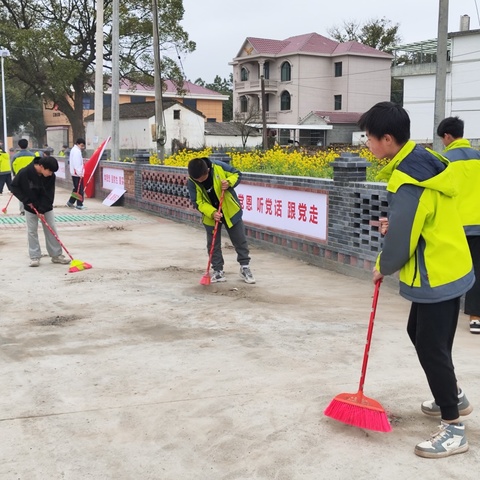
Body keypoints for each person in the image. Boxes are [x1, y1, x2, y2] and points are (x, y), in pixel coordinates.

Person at [359, 101, 474, 459]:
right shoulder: (427, 161)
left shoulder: (406, 178)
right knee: (422, 335)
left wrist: (383, 263)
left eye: (369, 137)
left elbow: (401, 244)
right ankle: (452, 395)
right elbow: (426, 216)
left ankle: (454, 427)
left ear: (388, 139)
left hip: (437, 271)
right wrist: (400, 223)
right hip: (449, 261)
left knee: (430, 347)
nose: (367, 143)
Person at [437, 116, 480, 335]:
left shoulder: (444, 161)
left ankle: (445, 311)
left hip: (456, 225)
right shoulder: (478, 157)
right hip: (479, 225)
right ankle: (475, 318)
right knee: (478, 270)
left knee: (451, 269)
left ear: (447, 136)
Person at [187, 156, 255, 284]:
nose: (200, 181)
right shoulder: (192, 181)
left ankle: (244, 267)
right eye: (197, 180)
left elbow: (237, 174)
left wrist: (229, 182)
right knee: (213, 245)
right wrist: (212, 213)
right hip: (211, 216)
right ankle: (218, 271)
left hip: (230, 210)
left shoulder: (218, 167)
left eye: (202, 178)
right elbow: (198, 202)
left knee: (239, 239)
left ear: (207, 170)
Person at [10, 155, 70, 267]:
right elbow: (14, 187)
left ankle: (56, 255)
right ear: (41, 166)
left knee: (51, 228)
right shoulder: (25, 173)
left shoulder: (50, 177)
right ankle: (34, 257)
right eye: (50, 171)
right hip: (30, 207)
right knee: (31, 231)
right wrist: (26, 200)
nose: (51, 174)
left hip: (46, 207)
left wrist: (42, 210)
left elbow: (49, 194)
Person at [12, 139, 36, 215]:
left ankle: (22, 211)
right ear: (27, 144)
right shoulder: (33, 155)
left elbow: (13, 166)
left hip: (20, 177)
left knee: (22, 193)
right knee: (32, 192)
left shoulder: (15, 156)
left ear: (19, 146)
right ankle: (33, 208)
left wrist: (15, 175)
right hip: (32, 177)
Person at [66, 138, 86, 210]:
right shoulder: (77, 151)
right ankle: (79, 204)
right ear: (78, 144)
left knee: (76, 188)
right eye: (81, 145)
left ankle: (70, 202)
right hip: (77, 173)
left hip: (75, 173)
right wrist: (80, 173)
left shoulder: (75, 150)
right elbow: (77, 164)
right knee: (79, 189)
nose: (82, 147)